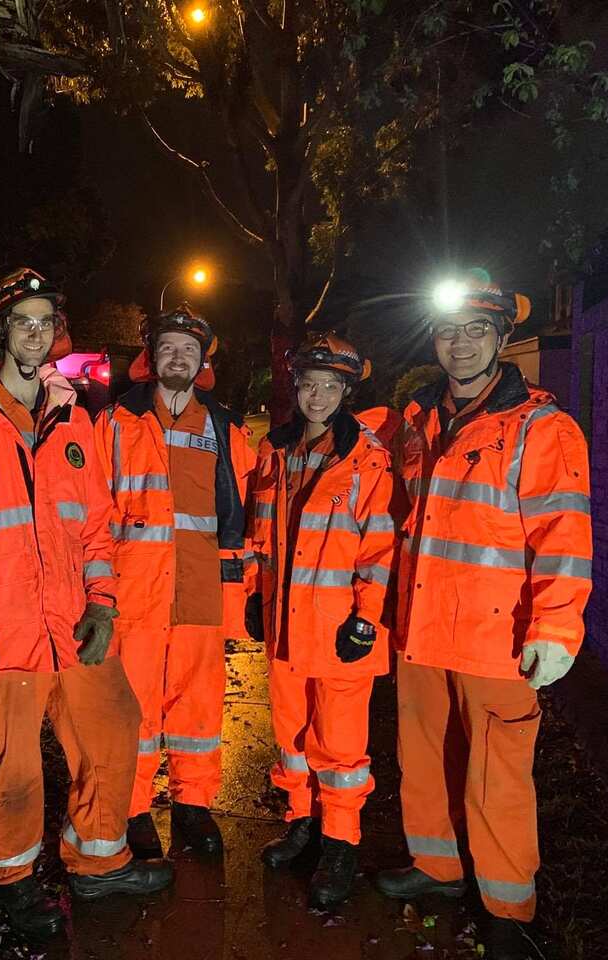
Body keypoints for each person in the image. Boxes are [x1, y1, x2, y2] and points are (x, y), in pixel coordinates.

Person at [374, 271, 592, 960]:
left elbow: (563, 536)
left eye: (476, 331)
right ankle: (438, 867)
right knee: (426, 760)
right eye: (448, 331)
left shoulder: (540, 428)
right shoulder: (420, 422)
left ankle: (506, 908)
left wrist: (556, 629)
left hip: (497, 639)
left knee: (498, 778)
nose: (460, 344)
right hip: (422, 632)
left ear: (502, 338)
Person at [0, 268, 173, 939]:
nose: (34, 333)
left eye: (44, 321)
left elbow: (93, 527)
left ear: (58, 332)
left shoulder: (74, 419)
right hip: (2, 631)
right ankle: (14, 880)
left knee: (113, 727)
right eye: (20, 321)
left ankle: (99, 860)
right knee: (8, 767)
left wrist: (103, 606)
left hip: (73, 624)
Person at [93, 304, 256, 859]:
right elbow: (93, 510)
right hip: (134, 592)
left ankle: (193, 805)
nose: (178, 357)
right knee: (134, 709)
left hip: (202, 589)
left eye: (189, 348)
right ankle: (135, 807)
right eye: (168, 347)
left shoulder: (226, 427)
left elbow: (247, 514)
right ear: (150, 357)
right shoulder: (114, 422)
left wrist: (247, 591)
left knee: (198, 706)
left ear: (203, 360)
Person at [246, 333, 396, 908]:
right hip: (287, 632)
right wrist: (258, 596)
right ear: (296, 386)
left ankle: (340, 842)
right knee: (292, 737)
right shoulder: (276, 453)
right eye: (309, 384)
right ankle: (302, 822)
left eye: (331, 386)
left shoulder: (367, 460)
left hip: (341, 635)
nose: (317, 396)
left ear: (347, 392)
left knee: (339, 745)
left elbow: (379, 551)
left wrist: (366, 619)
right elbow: (264, 540)